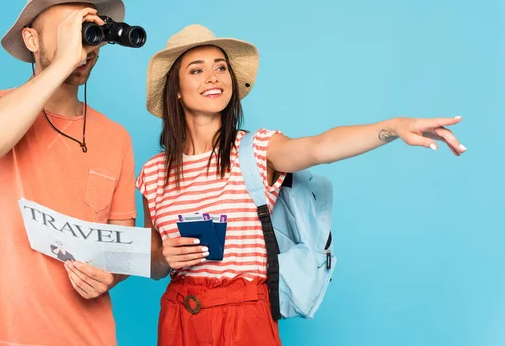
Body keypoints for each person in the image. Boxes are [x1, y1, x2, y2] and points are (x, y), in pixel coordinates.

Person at [135, 24, 466, 346]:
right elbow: (153, 266)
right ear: (175, 89)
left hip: (245, 314)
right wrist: (165, 257)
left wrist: (393, 127)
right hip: (179, 315)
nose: (213, 77)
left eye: (220, 67)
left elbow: (320, 147)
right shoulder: (153, 172)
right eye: (196, 70)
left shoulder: (257, 149)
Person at [0, 0, 137, 346]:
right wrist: (62, 63)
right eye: (70, 30)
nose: (84, 45)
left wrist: (110, 275)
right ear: (31, 39)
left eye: (89, 30)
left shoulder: (116, 137)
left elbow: (121, 243)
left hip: (87, 337)